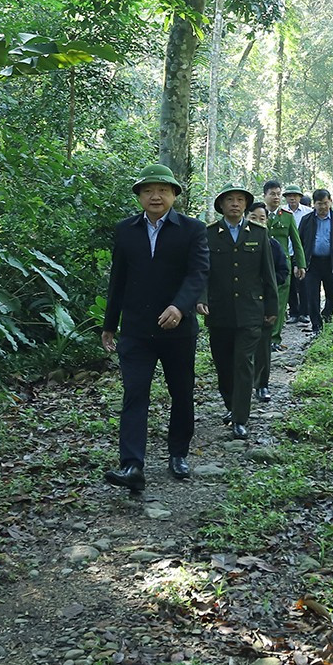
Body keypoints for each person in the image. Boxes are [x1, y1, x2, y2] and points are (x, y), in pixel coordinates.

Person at [101, 164, 210, 495]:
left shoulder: (192, 230)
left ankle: (178, 453)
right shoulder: (125, 230)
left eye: (163, 190)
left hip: (178, 330)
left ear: (174, 194)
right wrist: (110, 324)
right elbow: (118, 279)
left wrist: (180, 306)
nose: (155, 196)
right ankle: (132, 465)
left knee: (181, 392)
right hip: (136, 330)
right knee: (135, 393)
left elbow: (198, 274)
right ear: (139, 197)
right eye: (148, 191)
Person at [198, 184, 278, 439]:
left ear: (245, 205)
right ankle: (231, 405)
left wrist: (272, 307)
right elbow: (202, 272)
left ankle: (240, 417)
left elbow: (268, 273)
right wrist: (200, 299)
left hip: (250, 310)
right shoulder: (209, 234)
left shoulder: (259, 233)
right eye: (230, 199)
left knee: (244, 362)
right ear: (221, 205)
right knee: (223, 364)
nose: (235, 204)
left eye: (240, 200)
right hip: (219, 310)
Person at [247, 201, 289, 402]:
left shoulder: (272, 245)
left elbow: (283, 271)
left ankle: (262, 384)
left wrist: (267, 283)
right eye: (253, 218)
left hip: (263, 302)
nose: (257, 222)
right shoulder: (236, 243)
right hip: (240, 303)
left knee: (263, 346)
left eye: (262, 219)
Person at [297, 189, 333, 335]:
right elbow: (299, 243)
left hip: (331, 263)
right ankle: (316, 326)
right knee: (312, 296)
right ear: (314, 204)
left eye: (325, 203)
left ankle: (327, 314)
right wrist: (298, 263)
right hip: (312, 264)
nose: (323, 207)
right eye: (319, 204)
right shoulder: (307, 220)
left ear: (330, 202)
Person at [261, 180, 306, 348]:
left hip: (282, 266)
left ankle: (274, 339)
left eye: (278, 194)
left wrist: (301, 264)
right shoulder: (258, 214)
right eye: (272, 194)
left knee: (280, 303)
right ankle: (261, 337)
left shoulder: (287, 216)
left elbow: (296, 241)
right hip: (261, 266)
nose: (276, 197)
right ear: (265, 195)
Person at [281, 185, 313, 323]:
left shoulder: (308, 212)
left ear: (300, 197)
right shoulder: (281, 212)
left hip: (302, 252)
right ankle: (293, 312)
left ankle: (304, 313)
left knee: (304, 282)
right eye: (289, 196)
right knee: (289, 284)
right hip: (286, 252)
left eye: (295, 195)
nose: (292, 198)